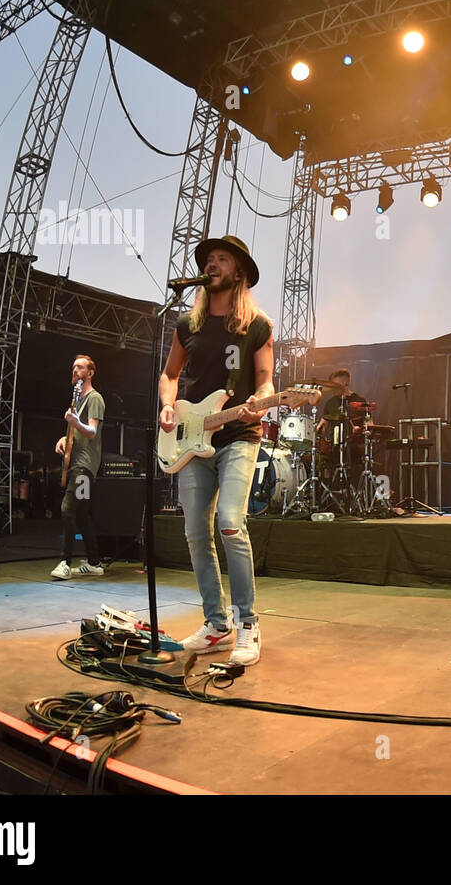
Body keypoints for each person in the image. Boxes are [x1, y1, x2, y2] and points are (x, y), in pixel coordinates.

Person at [158, 235, 273, 667]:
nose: (213, 264)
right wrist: (168, 406)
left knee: (229, 523)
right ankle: (216, 624)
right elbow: (170, 375)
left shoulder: (257, 326)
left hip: (239, 435)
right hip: (191, 440)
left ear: (238, 271)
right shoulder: (187, 326)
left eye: (222, 259)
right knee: (193, 533)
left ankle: (247, 622)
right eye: (209, 259)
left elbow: (265, 382)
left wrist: (259, 401)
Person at [51, 356, 105, 579]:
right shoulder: (76, 402)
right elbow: (77, 432)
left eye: (80, 367)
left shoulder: (94, 398)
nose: (75, 370)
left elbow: (91, 431)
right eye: (74, 366)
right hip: (76, 463)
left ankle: (65, 562)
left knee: (68, 508)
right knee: (82, 514)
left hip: (85, 466)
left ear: (90, 373)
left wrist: (74, 423)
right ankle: (94, 562)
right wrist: (65, 438)